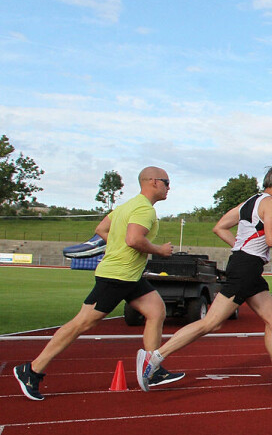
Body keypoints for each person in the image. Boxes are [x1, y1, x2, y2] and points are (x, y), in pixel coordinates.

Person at [136, 165, 272, 393]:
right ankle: (155, 358)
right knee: (212, 322)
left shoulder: (250, 202)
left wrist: (240, 248)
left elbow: (219, 227)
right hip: (246, 268)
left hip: (247, 265)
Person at [15, 167, 179, 400]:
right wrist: (159, 250)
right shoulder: (144, 209)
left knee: (156, 311)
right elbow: (133, 239)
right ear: (153, 182)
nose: (168, 187)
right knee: (81, 324)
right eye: (166, 182)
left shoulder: (126, 206)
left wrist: (116, 245)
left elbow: (101, 229)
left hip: (129, 276)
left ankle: (151, 369)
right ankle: (32, 370)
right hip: (117, 276)